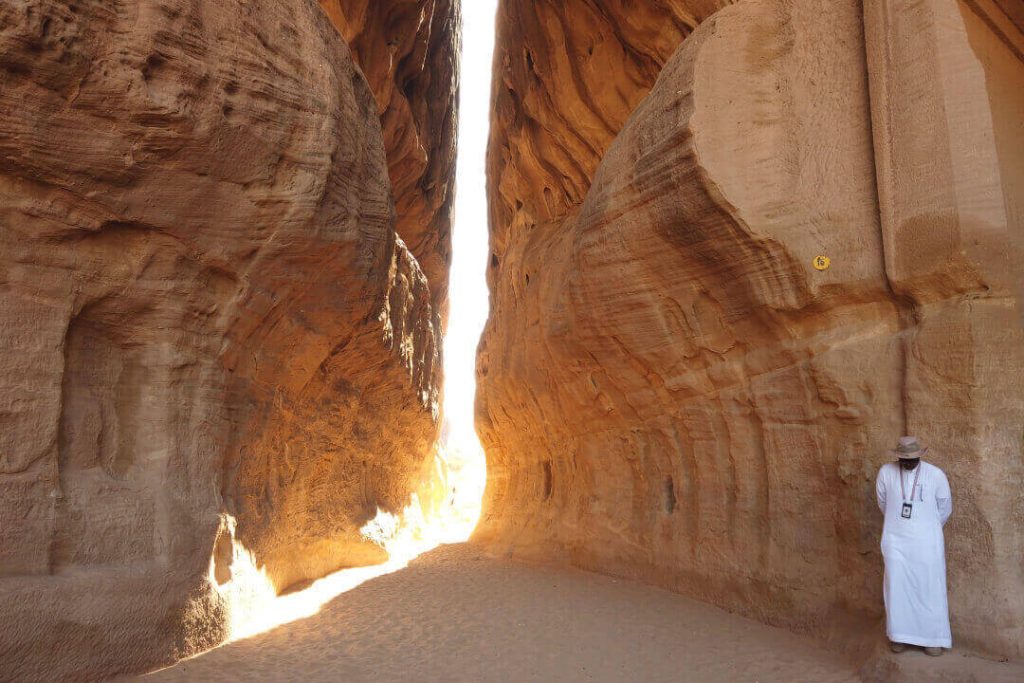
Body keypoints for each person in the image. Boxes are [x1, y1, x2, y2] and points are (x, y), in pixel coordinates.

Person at [875, 436, 953, 656]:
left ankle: (933, 639)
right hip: (895, 541)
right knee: (897, 587)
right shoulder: (885, 473)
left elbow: (945, 508)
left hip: (927, 543)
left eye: (912, 458)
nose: (908, 462)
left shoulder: (936, 475)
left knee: (930, 587)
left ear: (920, 455)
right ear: (897, 456)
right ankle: (899, 636)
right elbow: (883, 503)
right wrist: (900, 525)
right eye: (904, 458)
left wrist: (925, 528)